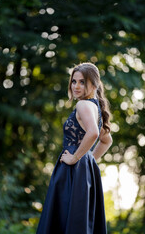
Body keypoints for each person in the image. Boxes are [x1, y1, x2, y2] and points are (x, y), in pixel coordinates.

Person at [36, 62, 113, 234]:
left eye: (82, 82)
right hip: (82, 171)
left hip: (71, 169)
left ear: (94, 84)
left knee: (63, 220)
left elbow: (93, 133)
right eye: (74, 81)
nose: (76, 86)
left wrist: (75, 158)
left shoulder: (83, 105)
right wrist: (89, 160)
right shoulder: (96, 108)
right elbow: (107, 140)